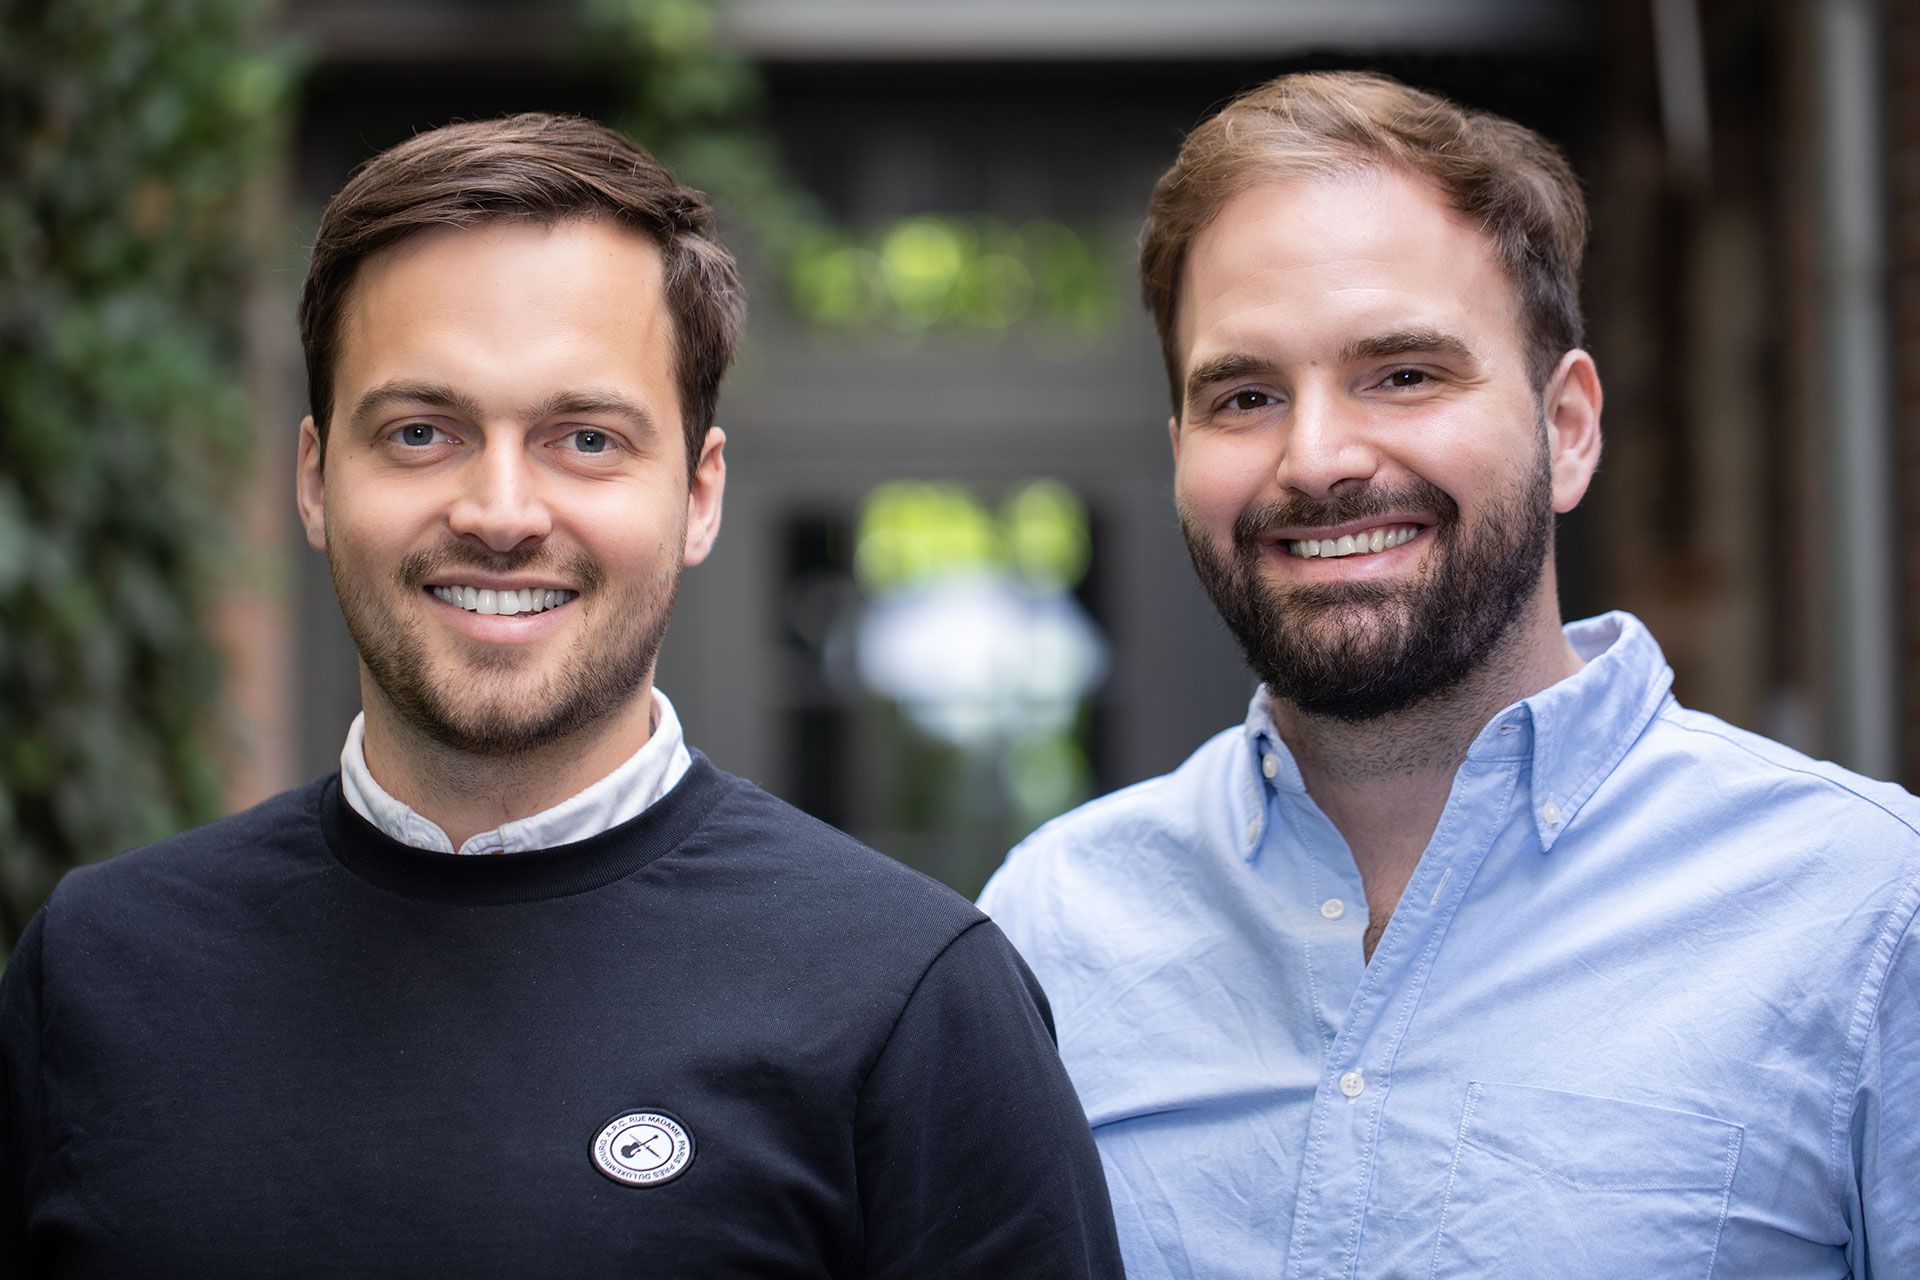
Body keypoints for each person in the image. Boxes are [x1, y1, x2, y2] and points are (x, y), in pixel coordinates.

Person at [0, 113, 1122, 1278]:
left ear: (698, 493)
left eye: (583, 437)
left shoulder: (911, 996)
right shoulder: (96, 968)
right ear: (315, 476)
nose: (498, 510)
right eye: (421, 430)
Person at [979, 70, 1919, 1278]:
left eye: (1405, 373)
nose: (1315, 459)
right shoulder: (1051, 922)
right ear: (1180, 455)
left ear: (1567, 425)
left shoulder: (1869, 914)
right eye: (1246, 395)